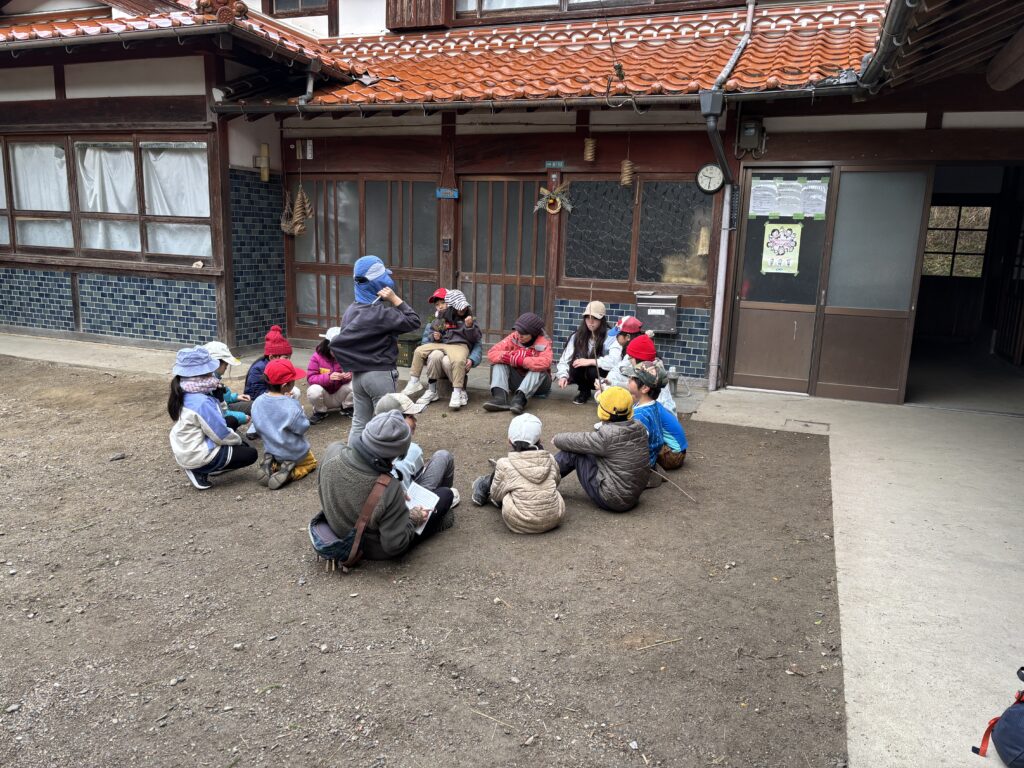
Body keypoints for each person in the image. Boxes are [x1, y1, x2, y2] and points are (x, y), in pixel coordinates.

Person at [317, 410, 455, 561]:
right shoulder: (388, 488)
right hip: (371, 547)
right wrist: (413, 519)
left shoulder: (333, 451)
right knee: (445, 495)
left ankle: (434, 519)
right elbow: (394, 546)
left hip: (338, 528)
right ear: (398, 452)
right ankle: (436, 522)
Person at [330, 255, 421, 444]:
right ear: (379, 282)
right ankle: (388, 459)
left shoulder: (350, 311)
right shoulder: (381, 314)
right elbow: (414, 321)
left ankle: (353, 457)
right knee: (388, 422)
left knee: (359, 422)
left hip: (358, 377)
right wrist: (395, 299)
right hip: (379, 374)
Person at [168, 346, 258, 490]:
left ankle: (211, 463)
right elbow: (220, 433)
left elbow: (220, 417)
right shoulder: (201, 401)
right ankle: (200, 469)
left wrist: (220, 399)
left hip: (188, 445)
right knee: (250, 454)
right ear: (203, 373)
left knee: (232, 421)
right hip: (196, 454)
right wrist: (238, 442)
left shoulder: (186, 389)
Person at [551, 386, 650, 513]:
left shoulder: (607, 437)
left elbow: (580, 441)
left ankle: (543, 480)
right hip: (633, 495)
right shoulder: (640, 427)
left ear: (603, 411)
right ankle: (545, 477)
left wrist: (557, 439)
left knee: (575, 451)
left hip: (613, 499)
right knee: (588, 448)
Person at [471, 413, 565, 534]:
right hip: (555, 518)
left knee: (503, 485)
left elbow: (496, 495)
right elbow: (556, 481)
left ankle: (481, 490)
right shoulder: (550, 459)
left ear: (510, 440)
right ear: (539, 440)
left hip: (521, 521)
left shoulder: (504, 464)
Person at [402, 289, 482, 410]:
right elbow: (427, 340)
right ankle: (423, 386)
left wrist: (472, 359)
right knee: (431, 354)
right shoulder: (439, 319)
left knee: (448, 360)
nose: (440, 306)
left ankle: (459, 391)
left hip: (457, 355)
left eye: (443, 303)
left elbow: (477, 342)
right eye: (437, 304)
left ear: (449, 304)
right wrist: (436, 337)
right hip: (438, 357)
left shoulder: (468, 319)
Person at [373, 393, 458, 500]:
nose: (415, 420)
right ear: (395, 421)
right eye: (410, 416)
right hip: (408, 505)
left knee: (443, 456)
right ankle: (438, 501)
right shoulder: (411, 450)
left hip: (400, 493)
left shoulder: (372, 443)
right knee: (446, 492)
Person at [250, 359, 317, 490]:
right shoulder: (291, 405)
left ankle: (272, 464)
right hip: (295, 452)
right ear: (285, 385)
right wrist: (300, 411)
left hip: (272, 450)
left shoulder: (257, 402)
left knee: (276, 456)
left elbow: (256, 426)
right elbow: (302, 427)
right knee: (311, 462)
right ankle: (291, 473)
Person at [483, 312, 553, 415]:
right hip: (517, 381)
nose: (519, 335)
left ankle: (520, 400)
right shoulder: (514, 336)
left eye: (524, 333)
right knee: (499, 362)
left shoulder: (543, 342)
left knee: (539, 368)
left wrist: (521, 360)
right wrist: (510, 356)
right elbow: (491, 353)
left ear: (533, 333)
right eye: (518, 331)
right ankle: (500, 398)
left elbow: (546, 362)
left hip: (540, 386)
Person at [627, 359, 688, 470]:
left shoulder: (643, 414)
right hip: (676, 451)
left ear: (645, 388)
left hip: (672, 455)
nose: (628, 379)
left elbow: (638, 442)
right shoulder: (651, 404)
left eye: (632, 378)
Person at [556, 300, 615, 405]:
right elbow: (565, 359)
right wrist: (563, 376)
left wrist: (591, 361)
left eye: (595, 318)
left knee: (593, 370)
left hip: (602, 375)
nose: (590, 322)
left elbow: (614, 362)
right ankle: (584, 391)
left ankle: (604, 392)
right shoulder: (577, 336)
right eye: (588, 318)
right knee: (576, 364)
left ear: (602, 320)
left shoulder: (610, 336)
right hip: (583, 374)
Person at [605, 332, 678, 413]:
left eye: (630, 357)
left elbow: (665, 409)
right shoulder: (646, 371)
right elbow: (631, 385)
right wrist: (611, 383)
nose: (629, 359)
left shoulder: (654, 377)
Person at [306, 326, 353, 425]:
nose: (338, 352)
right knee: (313, 390)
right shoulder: (317, 357)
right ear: (327, 345)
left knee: (357, 383)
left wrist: (349, 375)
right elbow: (310, 378)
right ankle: (320, 411)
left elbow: (354, 371)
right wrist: (328, 377)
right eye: (335, 348)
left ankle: (347, 407)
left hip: (340, 393)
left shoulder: (347, 355)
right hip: (324, 395)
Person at [202, 341, 251, 429]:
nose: (226, 366)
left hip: (220, 411)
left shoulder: (211, 378)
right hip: (214, 420)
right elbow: (219, 411)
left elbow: (221, 398)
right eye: (226, 363)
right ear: (216, 363)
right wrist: (242, 417)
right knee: (232, 420)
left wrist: (236, 397)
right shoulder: (208, 384)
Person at [244, 325, 299, 401]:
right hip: (257, 401)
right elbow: (257, 393)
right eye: (286, 357)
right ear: (272, 357)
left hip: (276, 394)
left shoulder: (280, 366)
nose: (289, 361)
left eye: (289, 358)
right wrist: (280, 394)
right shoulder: (258, 369)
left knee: (295, 391)